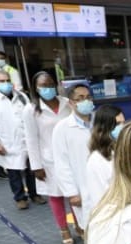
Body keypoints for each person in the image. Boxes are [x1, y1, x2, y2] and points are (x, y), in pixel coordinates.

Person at [23, 71, 75, 244]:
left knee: (75, 193)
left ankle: (80, 226)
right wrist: (36, 166)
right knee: (56, 195)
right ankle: (64, 229)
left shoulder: (67, 103)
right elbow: (31, 139)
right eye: (44, 86)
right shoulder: (30, 109)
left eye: (51, 84)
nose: (49, 88)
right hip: (49, 159)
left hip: (71, 156)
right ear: (36, 88)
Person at [0, 70, 44, 210]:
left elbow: (31, 116)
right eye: (1, 81)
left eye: (7, 80)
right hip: (7, 143)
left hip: (26, 140)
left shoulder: (21, 96)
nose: (6, 83)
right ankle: (20, 198)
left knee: (31, 169)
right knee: (13, 172)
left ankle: (35, 194)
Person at [52, 83, 94, 232]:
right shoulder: (62, 129)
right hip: (82, 189)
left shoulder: (101, 123)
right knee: (90, 228)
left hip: (105, 185)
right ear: (71, 103)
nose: (86, 101)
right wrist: (71, 193)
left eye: (88, 97)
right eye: (80, 98)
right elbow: (61, 163)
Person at [85, 104, 125, 218]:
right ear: (105, 127)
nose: (122, 127)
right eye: (117, 124)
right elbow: (101, 199)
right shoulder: (97, 160)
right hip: (111, 216)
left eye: (123, 122)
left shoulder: (120, 149)